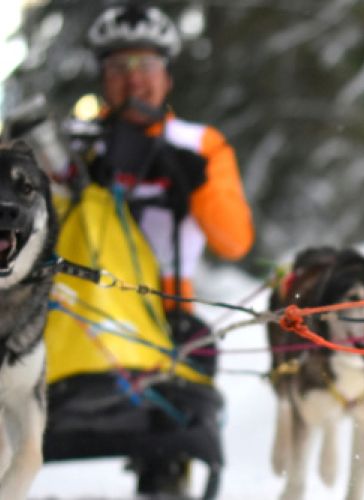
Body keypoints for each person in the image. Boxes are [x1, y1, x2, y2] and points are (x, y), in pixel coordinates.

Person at [45, 3, 253, 497]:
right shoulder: (71, 146)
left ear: (167, 76)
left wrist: (189, 177)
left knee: (195, 360)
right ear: (101, 76)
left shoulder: (200, 142)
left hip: (164, 313)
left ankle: (166, 475)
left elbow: (234, 240)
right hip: (74, 314)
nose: (133, 79)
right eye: (119, 67)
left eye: (146, 65)